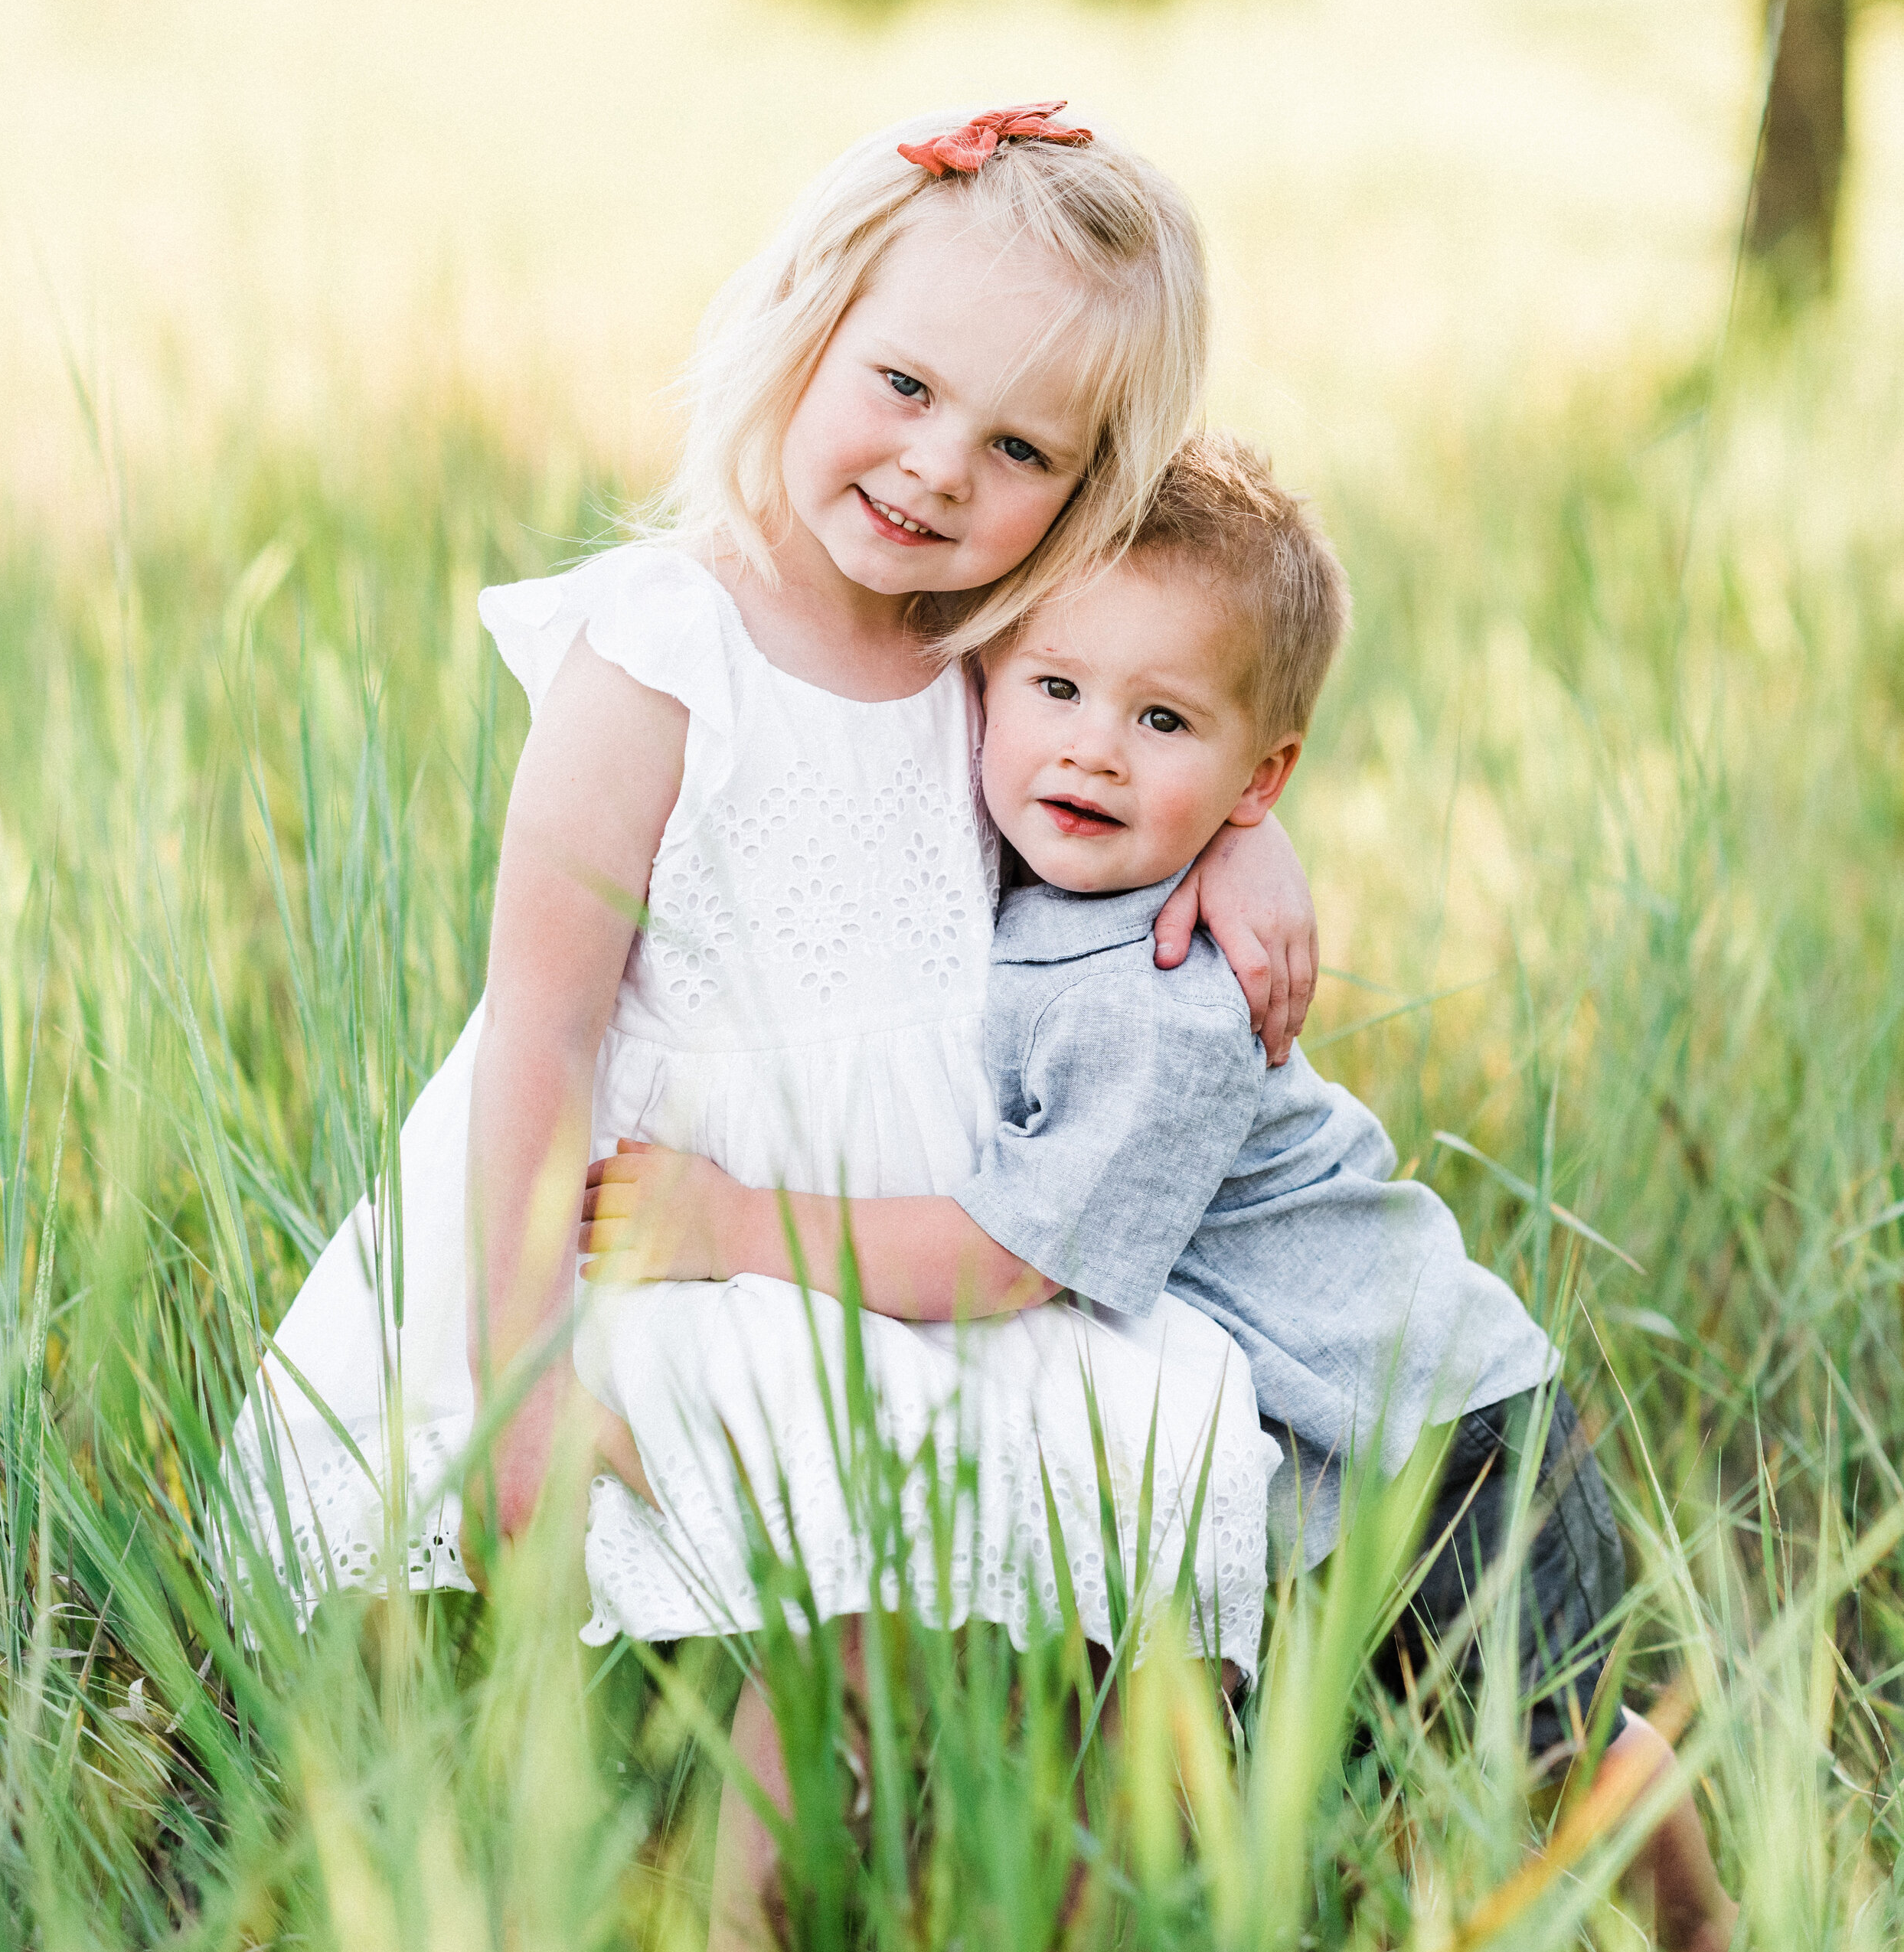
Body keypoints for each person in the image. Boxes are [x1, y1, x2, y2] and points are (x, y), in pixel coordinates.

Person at [223, 104, 1315, 1928]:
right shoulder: (660, 647)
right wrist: (518, 1369)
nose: (934, 468)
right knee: (829, 1532)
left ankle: (1053, 1868)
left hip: (910, 1228)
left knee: (1142, 1445)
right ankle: (670, 1893)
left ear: (1088, 485)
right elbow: (539, 1031)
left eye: (1020, 445)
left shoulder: (994, 637)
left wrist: (1261, 851)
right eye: (899, 382)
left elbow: (1167, 712)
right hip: (661, 1215)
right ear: (803, 321)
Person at [585, 433, 1736, 1951]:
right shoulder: (1017, 857)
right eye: (1055, 688)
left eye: (1162, 718)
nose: (1090, 751)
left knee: (1545, 1743)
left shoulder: (1163, 992)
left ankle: (1702, 1919)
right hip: (1309, 1429)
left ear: (1257, 776)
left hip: (1427, 1431)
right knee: (1339, 1754)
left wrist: (731, 1223)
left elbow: (1007, 1261)